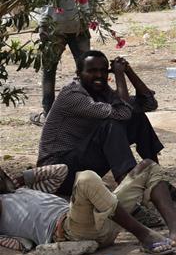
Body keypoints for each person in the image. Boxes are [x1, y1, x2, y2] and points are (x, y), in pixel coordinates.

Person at [0, 162, 176, 255]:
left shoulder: (22, 189)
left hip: (105, 217)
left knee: (147, 167)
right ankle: (145, 235)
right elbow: (17, 241)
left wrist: (20, 179)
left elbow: (60, 170)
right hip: (69, 232)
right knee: (86, 178)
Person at [37, 51, 167, 197]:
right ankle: (129, 190)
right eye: (92, 71)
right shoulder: (73, 95)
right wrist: (119, 75)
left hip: (80, 163)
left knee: (137, 118)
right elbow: (123, 113)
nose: (99, 75)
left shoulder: (101, 91)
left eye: (103, 71)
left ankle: (158, 180)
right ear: (78, 73)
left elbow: (149, 104)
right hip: (57, 173)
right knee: (111, 125)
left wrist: (128, 71)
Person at [31, 0, 92, 126]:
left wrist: (42, 24)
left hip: (54, 24)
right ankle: (89, 112)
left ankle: (48, 114)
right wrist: (87, 16)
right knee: (87, 69)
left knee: (49, 70)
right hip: (78, 23)